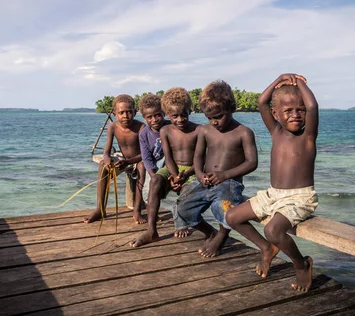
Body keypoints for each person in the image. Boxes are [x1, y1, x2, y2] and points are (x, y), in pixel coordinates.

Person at [225, 73, 318, 293]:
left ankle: (301, 264)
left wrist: (299, 83)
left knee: (273, 230)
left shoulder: (308, 138)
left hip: (299, 197)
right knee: (232, 217)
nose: (296, 114)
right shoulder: (276, 132)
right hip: (273, 194)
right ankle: (266, 249)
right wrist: (280, 79)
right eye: (288, 110)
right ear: (276, 114)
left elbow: (313, 105)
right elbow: (261, 102)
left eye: (300, 110)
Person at [174, 80, 258, 257]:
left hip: (229, 182)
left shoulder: (243, 132)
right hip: (204, 180)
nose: (214, 122)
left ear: (231, 108)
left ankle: (221, 236)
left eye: (218, 116)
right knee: (182, 206)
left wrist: (225, 174)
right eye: (209, 118)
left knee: (224, 207)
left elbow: (252, 162)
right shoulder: (205, 131)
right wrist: (199, 174)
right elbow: (198, 156)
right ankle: (210, 232)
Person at [131, 87, 200, 247]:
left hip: (191, 169)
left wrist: (183, 175)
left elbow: (200, 158)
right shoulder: (165, 130)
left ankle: (183, 223)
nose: (180, 119)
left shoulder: (197, 129)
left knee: (185, 190)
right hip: (171, 167)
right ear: (169, 115)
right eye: (175, 116)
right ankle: (151, 231)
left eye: (184, 115)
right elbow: (165, 158)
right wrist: (173, 175)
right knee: (155, 181)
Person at [84, 94, 146, 224]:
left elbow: (145, 154)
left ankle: (137, 210)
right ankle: (100, 209)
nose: (125, 116)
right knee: (102, 165)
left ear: (135, 112)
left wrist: (128, 162)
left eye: (129, 112)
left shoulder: (141, 127)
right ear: (115, 114)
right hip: (122, 158)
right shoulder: (113, 127)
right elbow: (107, 152)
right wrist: (107, 160)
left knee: (142, 166)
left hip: (137, 160)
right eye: (121, 112)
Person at [138, 93, 171, 204]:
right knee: (149, 192)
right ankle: (152, 216)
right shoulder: (144, 134)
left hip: (171, 162)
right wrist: (154, 176)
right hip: (155, 164)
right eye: (149, 117)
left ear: (164, 113)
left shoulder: (171, 127)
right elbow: (147, 158)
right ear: (144, 118)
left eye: (158, 115)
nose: (154, 119)